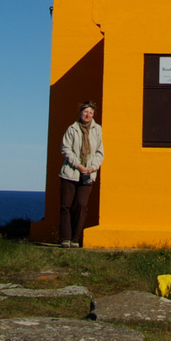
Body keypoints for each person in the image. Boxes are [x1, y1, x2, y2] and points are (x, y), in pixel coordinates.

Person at [58, 101, 103, 247]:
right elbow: (66, 149)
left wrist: (91, 168)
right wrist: (78, 165)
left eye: (91, 113)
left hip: (88, 174)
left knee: (81, 205)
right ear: (80, 113)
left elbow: (99, 152)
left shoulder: (97, 129)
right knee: (66, 205)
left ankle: (75, 239)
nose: (88, 115)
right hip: (70, 173)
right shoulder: (72, 129)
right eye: (86, 112)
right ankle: (65, 238)